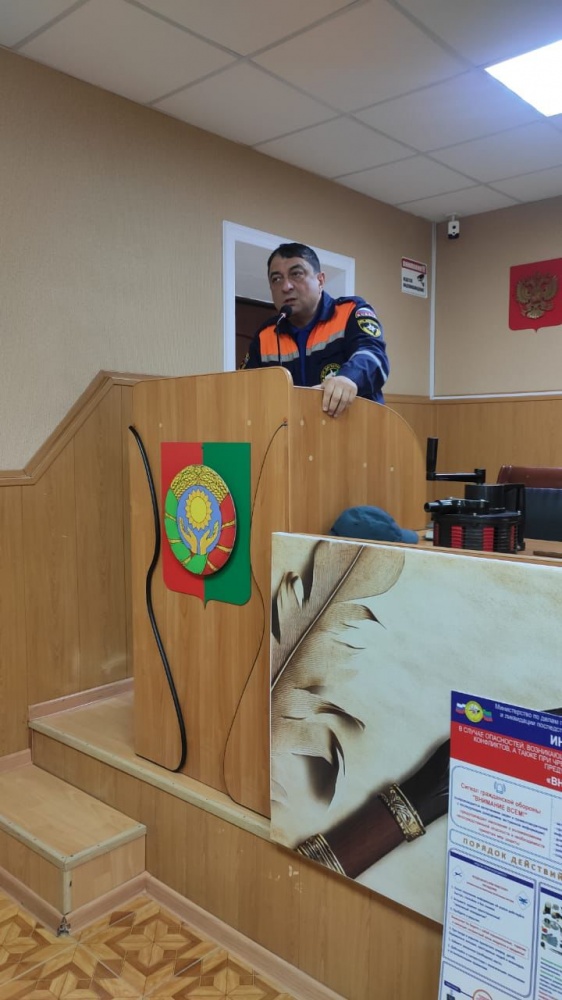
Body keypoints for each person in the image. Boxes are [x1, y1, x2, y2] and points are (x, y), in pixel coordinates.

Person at [240, 242, 389, 418]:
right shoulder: (265, 335)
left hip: (359, 429)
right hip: (294, 432)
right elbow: (244, 388)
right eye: (277, 279)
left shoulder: (350, 311)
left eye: (296, 274)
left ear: (320, 280)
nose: (286, 287)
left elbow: (373, 355)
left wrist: (348, 378)